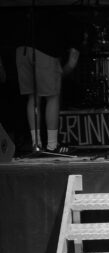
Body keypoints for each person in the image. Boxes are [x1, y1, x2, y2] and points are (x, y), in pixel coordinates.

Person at [15, 7, 81, 153]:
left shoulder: (41, 10)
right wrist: (58, 77)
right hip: (45, 50)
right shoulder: (75, 24)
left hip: (21, 50)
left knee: (33, 96)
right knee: (52, 96)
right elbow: (72, 60)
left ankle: (36, 144)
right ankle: (52, 145)